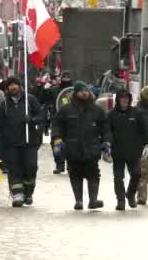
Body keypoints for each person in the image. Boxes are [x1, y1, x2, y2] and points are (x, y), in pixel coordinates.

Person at [52, 81, 111, 210]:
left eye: (86, 91)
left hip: (92, 148)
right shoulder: (66, 110)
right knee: (75, 174)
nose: (84, 93)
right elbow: (57, 125)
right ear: (76, 93)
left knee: (93, 174)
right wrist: (57, 139)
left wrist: (106, 142)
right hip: (73, 148)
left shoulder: (97, 110)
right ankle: (78, 201)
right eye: (81, 91)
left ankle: (93, 200)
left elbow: (105, 127)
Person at [0, 77, 44, 207]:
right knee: (14, 169)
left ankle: (28, 192)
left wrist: (32, 120)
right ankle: (17, 194)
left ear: (20, 86)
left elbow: (42, 116)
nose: (13, 87)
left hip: (29, 142)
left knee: (31, 167)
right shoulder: (4, 105)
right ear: (7, 89)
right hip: (11, 144)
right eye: (10, 85)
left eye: (15, 85)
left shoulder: (30, 100)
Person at [108, 89, 146, 211]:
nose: (125, 99)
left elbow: (144, 130)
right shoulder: (111, 115)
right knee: (118, 177)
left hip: (134, 150)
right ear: (118, 100)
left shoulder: (136, 113)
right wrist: (107, 146)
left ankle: (130, 195)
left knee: (136, 173)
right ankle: (120, 200)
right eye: (122, 97)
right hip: (117, 151)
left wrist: (147, 144)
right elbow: (107, 131)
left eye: (127, 97)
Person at [52, 71, 73, 174]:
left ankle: (71, 165)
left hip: (71, 121)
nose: (66, 78)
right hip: (58, 120)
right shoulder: (55, 90)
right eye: (64, 76)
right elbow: (45, 99)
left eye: (67, 77)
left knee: (71, 143)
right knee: (57, 142)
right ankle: (59, 164)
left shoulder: (74, 91)